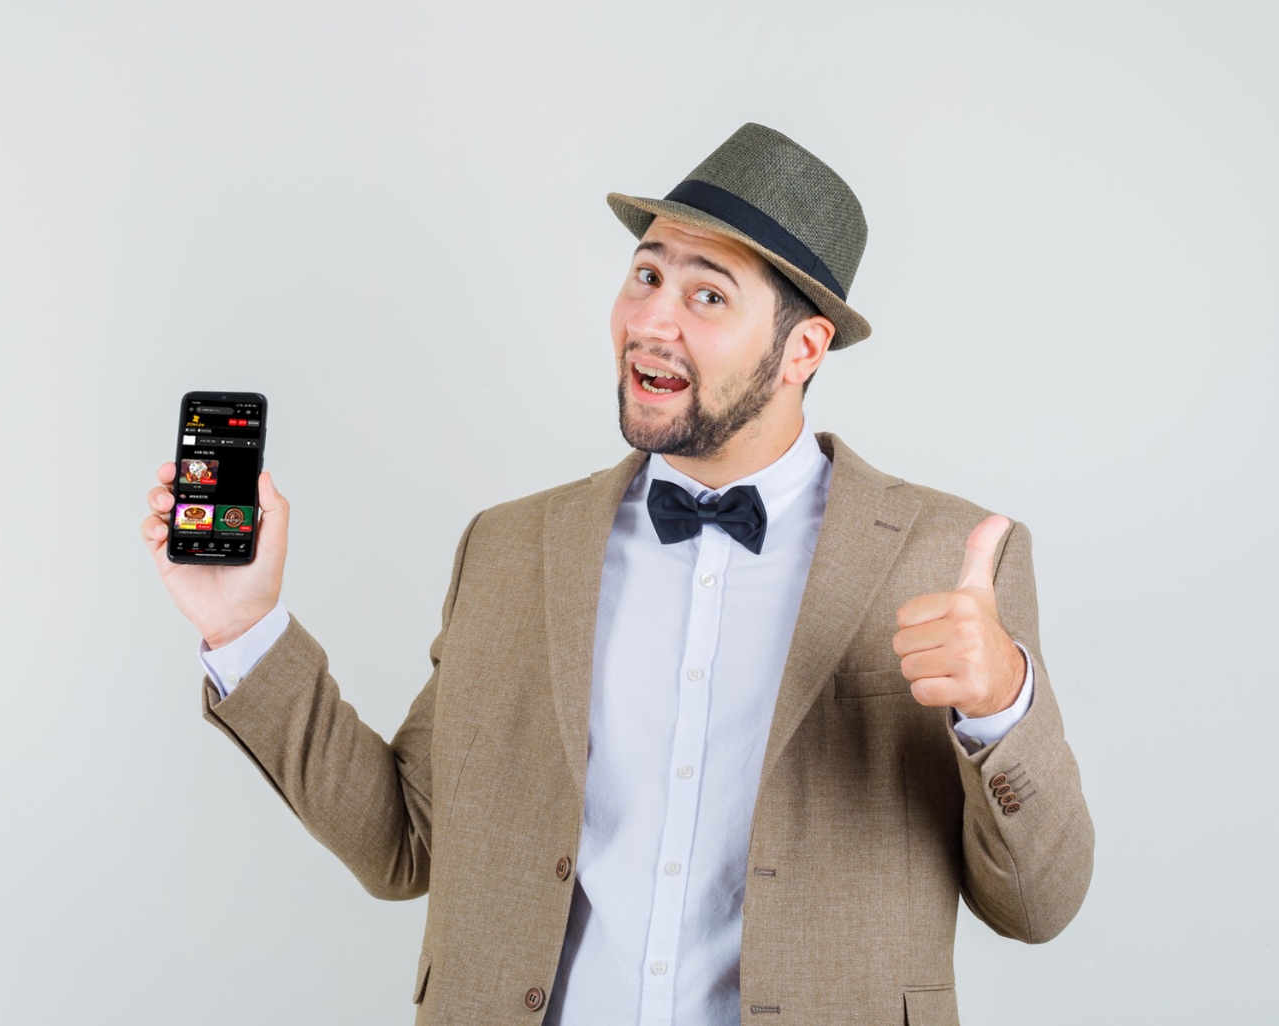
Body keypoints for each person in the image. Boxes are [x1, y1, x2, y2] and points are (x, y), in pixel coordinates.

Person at [140, 123, 1093, 1026]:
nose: (649, 320)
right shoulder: (510, 548)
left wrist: (1001, 705)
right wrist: (244, 627)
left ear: (803, 349)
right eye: (644, 275)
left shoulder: (943, 552)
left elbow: (1037, 904)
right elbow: (404, 842)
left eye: (706, 295)